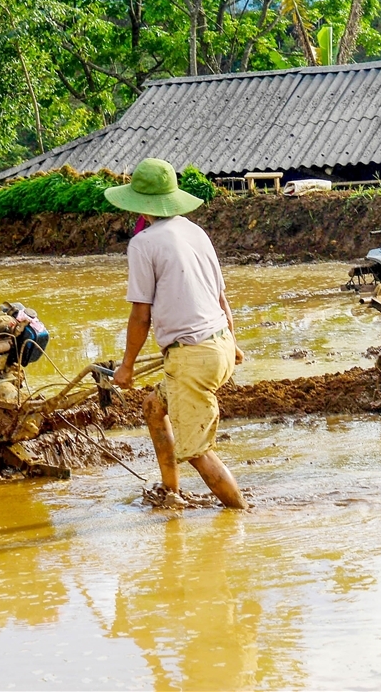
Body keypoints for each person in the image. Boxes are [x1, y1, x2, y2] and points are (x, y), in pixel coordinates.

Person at [108, 158, 247, 510]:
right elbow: (220, 296)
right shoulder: (194, 231)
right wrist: (234, 343)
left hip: (192, 356)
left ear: (138, 203)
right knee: (155, 408)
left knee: (198, 453)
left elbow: (141, 314)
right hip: (218, 345)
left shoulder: (143, 244)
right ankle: (172, 493)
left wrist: (126, 366)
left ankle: (242, 515)